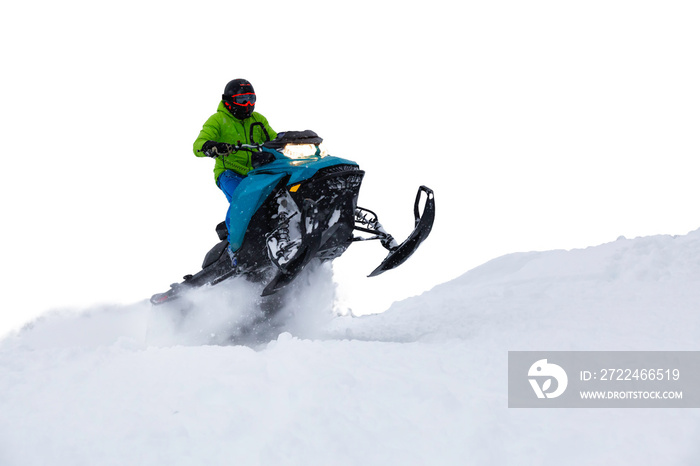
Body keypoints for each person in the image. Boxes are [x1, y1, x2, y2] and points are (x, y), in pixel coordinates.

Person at [193, 79, 277, 257]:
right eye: (242, 100)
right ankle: (235, 249)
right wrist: (212, 146)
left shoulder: (258, 119)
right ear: (228, 101)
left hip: (257, 173)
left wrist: (285, 141)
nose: (247, 104)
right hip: (230, 172)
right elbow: (198, 145)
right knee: (243, 197)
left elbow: (274, 139)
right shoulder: (218, 120)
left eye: (251, 99)